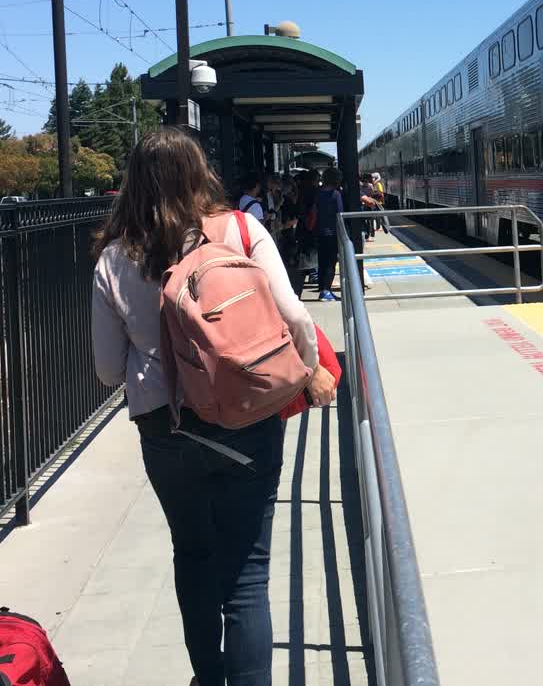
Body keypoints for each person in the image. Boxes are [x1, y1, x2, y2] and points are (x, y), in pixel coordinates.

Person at [91, 127, 337, 686]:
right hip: (247, 415)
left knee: (193, 555)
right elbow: (296, 317)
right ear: (201, 173)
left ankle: (208, 675)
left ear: (133, 182)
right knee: (247, 574)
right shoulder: (243, 230)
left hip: (164, 430)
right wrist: (310, 371)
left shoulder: (114, 257)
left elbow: (107, 371)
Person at [315, 169, 346, 302]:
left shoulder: (317, 193)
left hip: (319, 231)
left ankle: (322, 289)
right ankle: (326, 291)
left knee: (322, 262)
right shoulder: (336, 194)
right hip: (332, 232)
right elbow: (340, 214)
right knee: (331, 262)